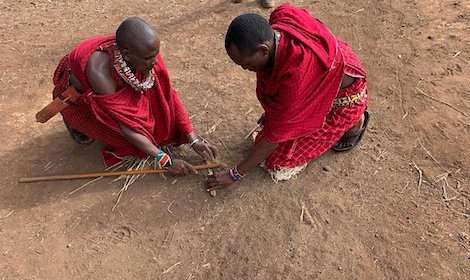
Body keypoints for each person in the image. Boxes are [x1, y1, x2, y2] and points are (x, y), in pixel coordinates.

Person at [207, 4, 368, 190]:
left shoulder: (296, 77)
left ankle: (355, 122)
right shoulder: (282, 16)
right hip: (333, 70)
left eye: (246, 64)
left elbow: (273, 138)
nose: (245, 69)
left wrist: (234, 174)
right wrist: (274, 115)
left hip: (345, 97)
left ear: (263, 50)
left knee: (276, 159)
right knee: (266, 136)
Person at [50, 17, 217, 175]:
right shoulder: (100, 74)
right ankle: (75, 124)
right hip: (79, 101)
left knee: (162, 118)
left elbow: (168, 94)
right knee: (124, 139)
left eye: (155, 54)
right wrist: (166, 160)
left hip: (122, 76)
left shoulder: (145, 54)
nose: (155, 61)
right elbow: (127, 126)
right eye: (148, 58)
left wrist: (193, 139)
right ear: (128, 55)